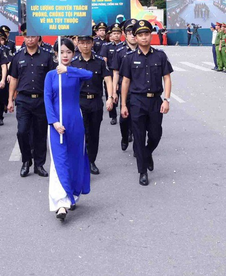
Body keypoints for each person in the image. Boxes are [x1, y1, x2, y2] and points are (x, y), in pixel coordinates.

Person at [44, 38, 93, 221]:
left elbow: (90, 75)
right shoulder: (50, 75)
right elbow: (48, 100)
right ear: (56, 54)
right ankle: (60, 203)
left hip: (75, 121)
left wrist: (69, 70)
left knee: (74, 158)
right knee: (59, 161)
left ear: (74, 54)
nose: (65, 55)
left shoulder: (75, 72)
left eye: (69, 52)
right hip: (57, 123)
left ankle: (72, 194)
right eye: (61, 52)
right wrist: (54, 122)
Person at [120, 20, 173, 186]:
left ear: (151, 35)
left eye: (146, 34)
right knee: (139, 136)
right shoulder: (129, 58)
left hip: (155, 101)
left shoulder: (160, 55)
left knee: (156, 134)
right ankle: (142, 171)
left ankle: (148, 152)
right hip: (137, 101)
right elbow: (125, 82)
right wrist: (123, 105)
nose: (144, 38)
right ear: (135, 37)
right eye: (140, 35)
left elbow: (167, 77)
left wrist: (167, 99)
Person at [7, 23, 56, 178]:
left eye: (32, 36)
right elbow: (14, 78)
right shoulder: (18, 57)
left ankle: (39, 164)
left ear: (38, 37)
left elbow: (52, 80)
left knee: (40, 134)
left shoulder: (47, 56)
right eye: (27, 36)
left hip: (41, 100)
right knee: (22, 131)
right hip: (23, 100)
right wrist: (10, 99)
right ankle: (26, 161)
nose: (30, 40)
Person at [71, 35, 113, 175]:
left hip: (95, 101)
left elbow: (108, 79)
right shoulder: (74, 62)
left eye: (87, 43)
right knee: (81, 133)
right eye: (82, 43)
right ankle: (80, 162)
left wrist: (110, 97)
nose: (85, 46)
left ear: (92, 44)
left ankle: (91, 161)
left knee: (94, 133)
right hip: (80, 102)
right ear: (78, 44)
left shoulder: (100, 61)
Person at [111, 19, 139, 151]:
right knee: (124, 118)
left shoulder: (143, 49)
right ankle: (124, 136)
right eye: (129, 31)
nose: (132, 35)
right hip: (124, 89)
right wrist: (113, 92)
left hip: (139, 89)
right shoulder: (119, 51)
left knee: (138, 118)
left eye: (134, 32)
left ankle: (137, 145)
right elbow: (115, 72)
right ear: (124, 33)